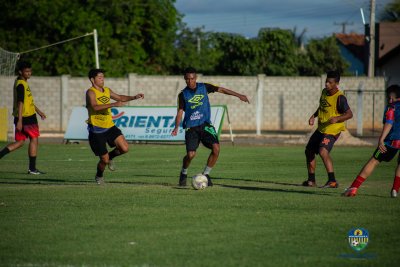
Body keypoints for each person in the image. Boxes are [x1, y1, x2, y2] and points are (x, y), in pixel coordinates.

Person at [171, 67, 250, 186]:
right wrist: (176, 127)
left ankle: (206, 174)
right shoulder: (182, 95)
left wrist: (239, 95)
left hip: (205, 124)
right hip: (191, 128)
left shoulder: (204, 87)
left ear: (196, 78)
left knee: (216, 148)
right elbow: (180, 112)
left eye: (192, 78)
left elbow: (221, 89)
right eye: (187, 79)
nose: (190, 81)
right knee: (191, 155)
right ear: (184, 79)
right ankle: (184, 172)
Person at [85, 68, 144, 184]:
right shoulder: (90, 92)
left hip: (110, 126)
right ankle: (99, 175)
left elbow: (120, 98)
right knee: (104, 160)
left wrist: (134, 97)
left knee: (124, 148)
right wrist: (114, 104)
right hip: (96, 131)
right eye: (100, 77)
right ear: (92, 80)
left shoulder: (106, 90)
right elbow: (95, 107)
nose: (102, 79)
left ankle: (111, 157)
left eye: (103, 77)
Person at [343, 84, 400, 198]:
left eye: (389, 97)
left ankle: (353, 188)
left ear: (392, 98)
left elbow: (389, 123)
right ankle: (395, 189)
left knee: (374, 161)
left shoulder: (391, 107)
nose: (389, 100)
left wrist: (381, 139)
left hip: (391, 141)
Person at [302, 70, 353, 188]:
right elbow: (322, 107)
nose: (327, 84)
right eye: (326, 81)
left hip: (333, 130)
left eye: (330, 82)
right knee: (308, 151)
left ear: (336, 83)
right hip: (322, 128)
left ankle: (332, 181)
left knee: (322, 151)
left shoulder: (340, 98)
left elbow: (349, 114)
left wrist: (338, 118)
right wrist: (313, 116)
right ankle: (311, 181)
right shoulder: (324, 92)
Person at [0, 61, 46, 174]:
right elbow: (20, 103)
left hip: (23, 116)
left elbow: (27, 101)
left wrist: (39, 111)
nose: (29, 73)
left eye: (30, 71)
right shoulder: (21, 84)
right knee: (34, 140)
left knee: (20, 142)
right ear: (20, 72)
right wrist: (20, 120)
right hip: (27, 117)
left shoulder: (22, 83)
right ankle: (32, 168)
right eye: (26, 71)